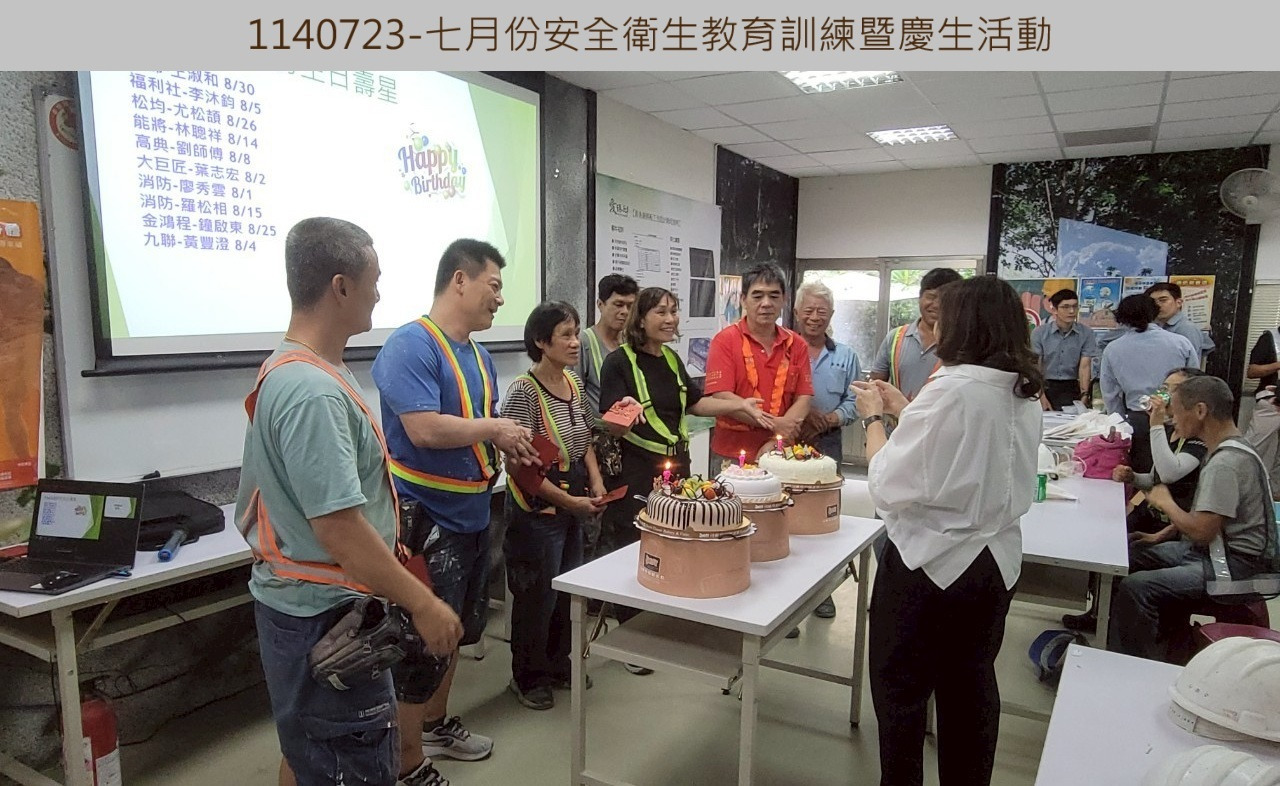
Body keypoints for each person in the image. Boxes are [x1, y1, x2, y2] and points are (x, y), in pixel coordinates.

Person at [236, 217, 463, 786]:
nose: (379, 294)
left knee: (309, 754)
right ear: (341, 286)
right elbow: (339, 529)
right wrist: (423, 603)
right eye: (374, 281)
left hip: (311, 608)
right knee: (345, 759)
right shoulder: (311, 391)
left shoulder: (304, 369)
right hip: (326, 618)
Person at [853, 275, 1043, 786]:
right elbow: (968, 448)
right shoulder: (1020, 388)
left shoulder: (952, 388)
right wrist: (905, 408)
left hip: (932, 566)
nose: (934, 326)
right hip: (995, 564)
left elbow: (887, 483)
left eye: (943, 317)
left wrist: (874, 420)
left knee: (901, 693)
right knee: (971, 688)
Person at [372, 239, 537, 783]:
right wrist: (495, 428)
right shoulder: (410, 345)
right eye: (494, 286)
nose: (500, 299)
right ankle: (406, 761)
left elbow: (477, 427)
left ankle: (435, 726)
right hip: (427, 519)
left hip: (473, 511)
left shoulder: (479, 356)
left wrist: (509, 445)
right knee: (420, 641)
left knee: (457, 630)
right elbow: (423, 429)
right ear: (460, 280)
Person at [597, 287, 768, 666]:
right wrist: (625, 411)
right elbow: (611, 423)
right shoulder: (618, 363)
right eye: (661, 312)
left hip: (677, 469)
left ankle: (664, 621)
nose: (670, 319)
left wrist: (738, 405)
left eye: (674, 311)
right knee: (635, 548)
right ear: (641, 318)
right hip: (637, 471)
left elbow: (695, 402)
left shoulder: (672, 359)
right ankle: (633, 636)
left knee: (674, 544)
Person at [500, 302, 638, 710]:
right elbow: (519, 468)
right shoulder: (524, 393)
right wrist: (568, 501)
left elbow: (584, 441)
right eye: (566, 335)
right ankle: (528, 678)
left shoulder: (573, 383)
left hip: (574, 495)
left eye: (576, 333)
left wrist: (595, 482)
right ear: (541, 342)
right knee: (537, 594)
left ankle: (559, 664)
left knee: (567, 588)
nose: (576, 342)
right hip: (538, 507)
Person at [1110, 375, 1279, 662]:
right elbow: (1214, 516)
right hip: (1215, 553)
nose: (1173, 419)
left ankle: (1135, 665)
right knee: (1131, 555)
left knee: (1136, 587)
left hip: (1234, 567)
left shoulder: (1226, 462)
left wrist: (1167, 504)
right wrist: (1161, 534)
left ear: (1200, 411)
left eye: (1176, 412)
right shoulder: (1230, 448)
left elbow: (1202, 531)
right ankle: (1160, 644)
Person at [1062, 367, 1209, 633]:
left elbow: (1169, 472)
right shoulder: (1171, 431)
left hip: (1175, 523)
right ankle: (1100, 613)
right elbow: (1154, 478)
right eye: (1164, 387)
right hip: (1155, 513)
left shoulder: (1196, 441)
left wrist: (1155, 424)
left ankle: (1117, 624)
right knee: (1104, 538)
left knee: (1121, 554)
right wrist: (1133, 477)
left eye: (1173, 390)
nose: (1165, 395)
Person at [793, 280, 860, 625]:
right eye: (809, 310)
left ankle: (823, 591)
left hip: (828, 442)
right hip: (788, 440)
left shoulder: (846, 355)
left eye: (822, 311)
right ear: (797, 312)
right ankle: (788, 597)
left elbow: (856, 400)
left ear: (831, 314)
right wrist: (802, 417)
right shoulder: (785, 349)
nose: (815, 317)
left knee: (824, 518)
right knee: (787, 517)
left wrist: (830, 418)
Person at [704, 263, 811, 463]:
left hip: (781, 451)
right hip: (732, 453)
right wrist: (775, 424)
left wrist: (778, 436)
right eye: (757, 296)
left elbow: (803, 397)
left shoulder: (797, 344)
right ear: (743, 300)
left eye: (774, 296)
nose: (766, 303)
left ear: (784, 300)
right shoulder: (725, 341)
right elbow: (722, 395)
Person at [577, 274, 638, 560]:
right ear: (600, 304)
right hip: (596, 448)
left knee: (622, 525)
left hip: (628, 446)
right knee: (594, 528)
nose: (624, 312)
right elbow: (575, 403)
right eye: (618, 304)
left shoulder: (631, 345)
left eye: (630, 306)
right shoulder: (585, 343)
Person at [1099, 294, 1197, 473]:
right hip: (1176, 418)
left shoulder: (1112, 349)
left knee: (1140, 472)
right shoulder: (1181, 343)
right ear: (1155, 312)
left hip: (1137, 421)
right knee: (1174, 471)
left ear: (1122, 318)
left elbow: (1110, 394)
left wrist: (1120, 424)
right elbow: (1196, 382)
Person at [870, 267, 965, 401]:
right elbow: (876, 383)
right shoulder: (895, 337)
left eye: (945, 299)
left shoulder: (962, 342)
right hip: (897, 415)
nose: (936, 305)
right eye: (931, 297)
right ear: (920, 298)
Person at [1031, 288, 1099, 411]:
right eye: (1065, 307)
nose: (1071, 311)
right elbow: (1036, 366)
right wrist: (1040, 395)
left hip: (1071, 386)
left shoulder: (1086, 333)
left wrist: (1084, 395)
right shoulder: (1039, 333)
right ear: (1054, 309)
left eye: (1074, 306)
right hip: (1045, 385)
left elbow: (1085, 366)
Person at [1147, 282, 1214, 365]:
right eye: (1153, 302)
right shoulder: (1153, 326)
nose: (1157, 305)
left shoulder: (1186, 329)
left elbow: (1190, 366)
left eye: (1163, 300)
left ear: (1178, 302)